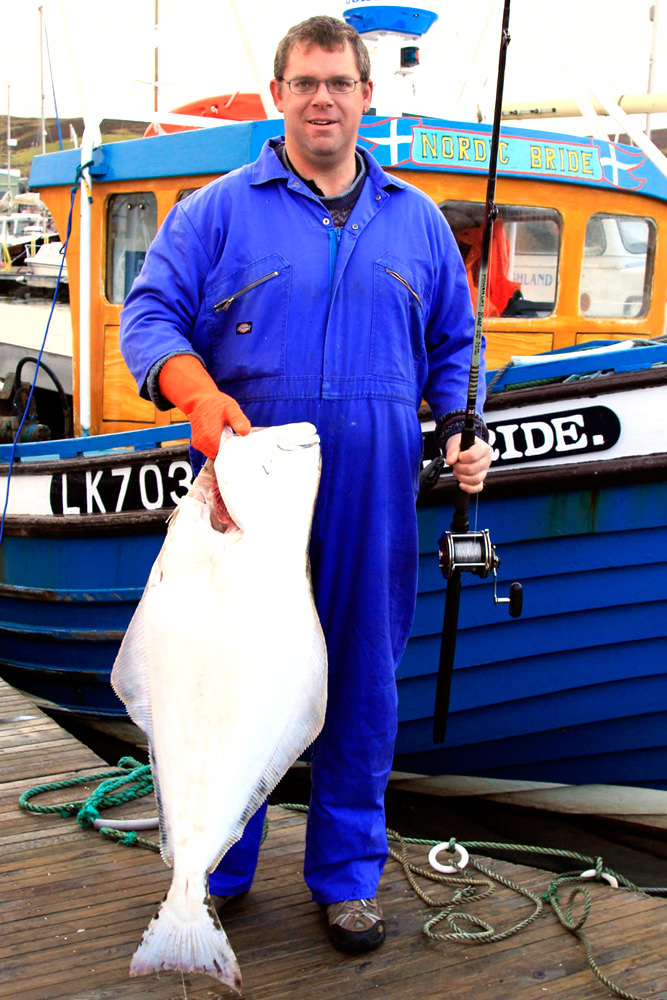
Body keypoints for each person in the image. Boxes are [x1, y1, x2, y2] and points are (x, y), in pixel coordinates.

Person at [119, 14, 491, 955]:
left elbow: (455, 344)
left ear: (368, 96)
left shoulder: (415, 220)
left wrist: (460, 426)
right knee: (227, 679)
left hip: (373, 485)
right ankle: (213, 866)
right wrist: (196, 392)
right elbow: (151, 316)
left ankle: (346, 877)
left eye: (339, 82)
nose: (322, 98)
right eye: (305, 82)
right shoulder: (215, 210)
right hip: (247, 489)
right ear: (278, 95)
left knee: (364, 675)